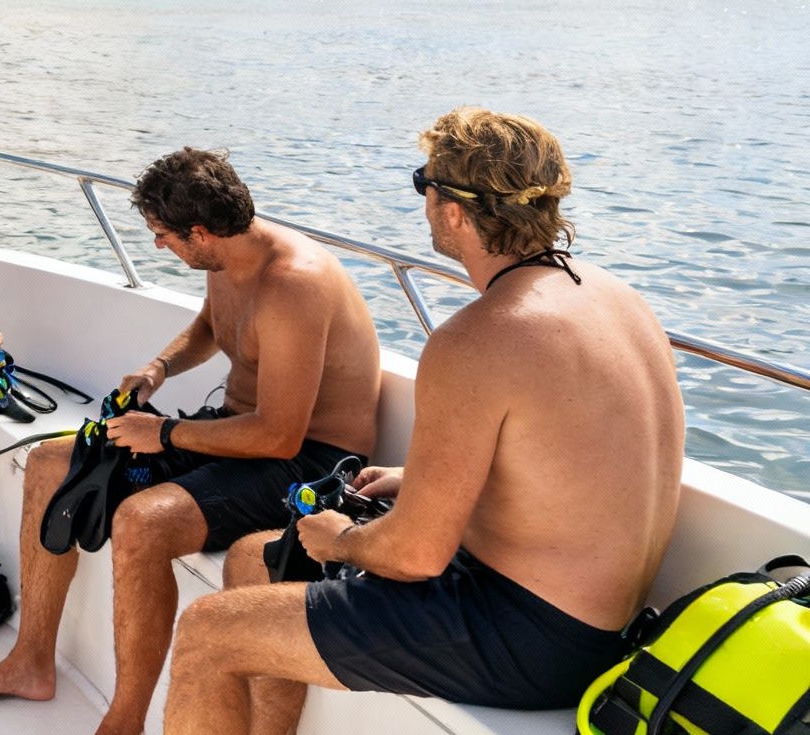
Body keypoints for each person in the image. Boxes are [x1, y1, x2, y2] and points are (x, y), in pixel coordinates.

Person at [164, 109, 684, 734]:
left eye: (423, 184)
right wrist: (416, 479)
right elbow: (567, 464)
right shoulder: (618, 299)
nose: (423, 199)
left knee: (208, 630)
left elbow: (414, 556)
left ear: (454, 211)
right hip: (605, 622)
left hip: (525, 637)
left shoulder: (480, 337)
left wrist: (341, 540)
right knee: (255, 557)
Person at [0, 147, 381, 735]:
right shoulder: (225, 258)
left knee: (144, 523)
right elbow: (209, 327)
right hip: (238, 429)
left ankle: (124, 719)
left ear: (199, 231)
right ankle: (31, 661)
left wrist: (165, 432)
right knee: (50, 463)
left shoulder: (292, 286)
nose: (158, 246)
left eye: (161, 235)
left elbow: (280, 435)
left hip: (310, 460)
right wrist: (159, 369)